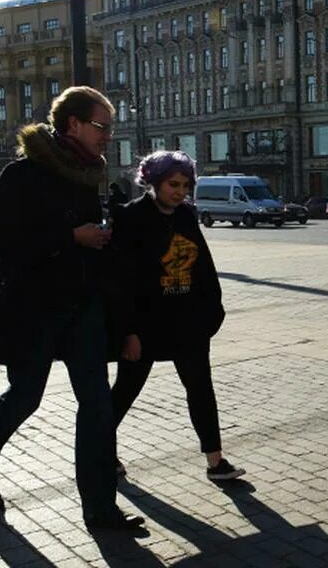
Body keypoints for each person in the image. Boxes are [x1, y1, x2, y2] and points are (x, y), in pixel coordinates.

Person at [0, 86, 144, 531]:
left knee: (98, 404)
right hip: (34, 307)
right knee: (26, 398)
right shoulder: (22, 176)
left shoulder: (87, 175)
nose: (108, 135)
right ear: (73, 125)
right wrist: (71, 237)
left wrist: (102, 239)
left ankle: (101, 509)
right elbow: (3, 245)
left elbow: (89, 242)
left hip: (82, 306)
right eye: (102, 126)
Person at [108, 150, 244, 482]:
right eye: (173, 184)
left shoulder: (185, 215)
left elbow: (204, 266)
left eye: (185, 185)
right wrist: (128, 331)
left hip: (188, 323)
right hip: (145, 325)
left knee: (201, 389)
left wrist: (213, 311)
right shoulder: (130, 217)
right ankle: (102, 451)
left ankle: (216, 462)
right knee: (126, 390)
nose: (180, 191)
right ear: (151, 182)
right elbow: (120, 281)